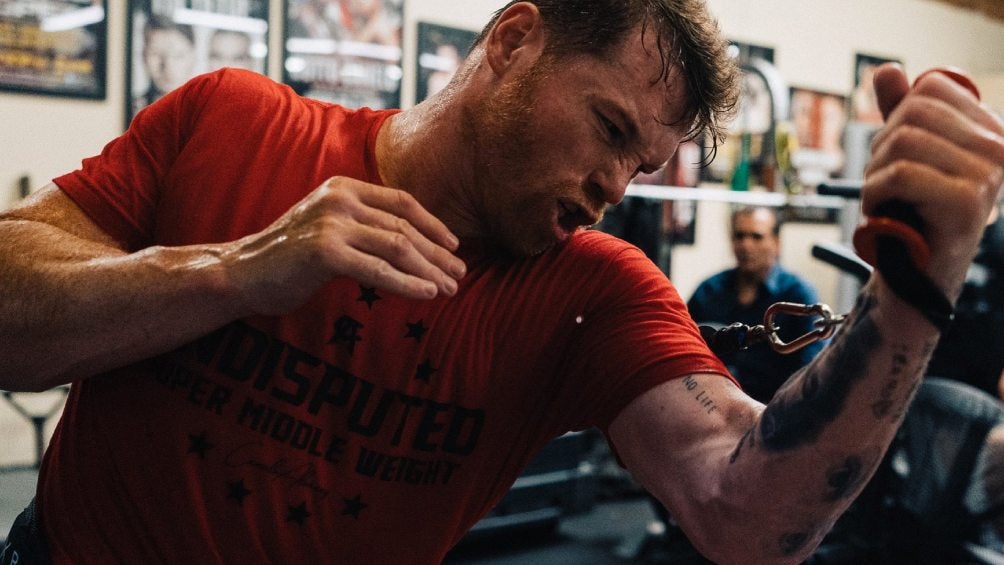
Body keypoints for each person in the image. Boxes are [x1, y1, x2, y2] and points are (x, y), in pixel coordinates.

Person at [1, 1, 1002, 563]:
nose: (615, 185)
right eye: (610, 130)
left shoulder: (588, 293)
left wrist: (914, 293)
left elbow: (744, 513)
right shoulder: (237, 122)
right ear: (513, 41)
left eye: (642, 166)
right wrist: (232, 272)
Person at [687, 206, 823, 403]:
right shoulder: (709, 291)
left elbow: (811, 368)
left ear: (776, 243)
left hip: (773, 412)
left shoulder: (799, 295)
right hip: (711, 406)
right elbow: (680, 344)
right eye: (739, 236)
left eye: (756, 237)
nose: (746, 245)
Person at [132, 16, 196, 117]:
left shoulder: (205, 113)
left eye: (177, 55)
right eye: (156, 53)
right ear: (143, 56)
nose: (167, 67)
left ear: (193, 57)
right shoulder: (132, 109)